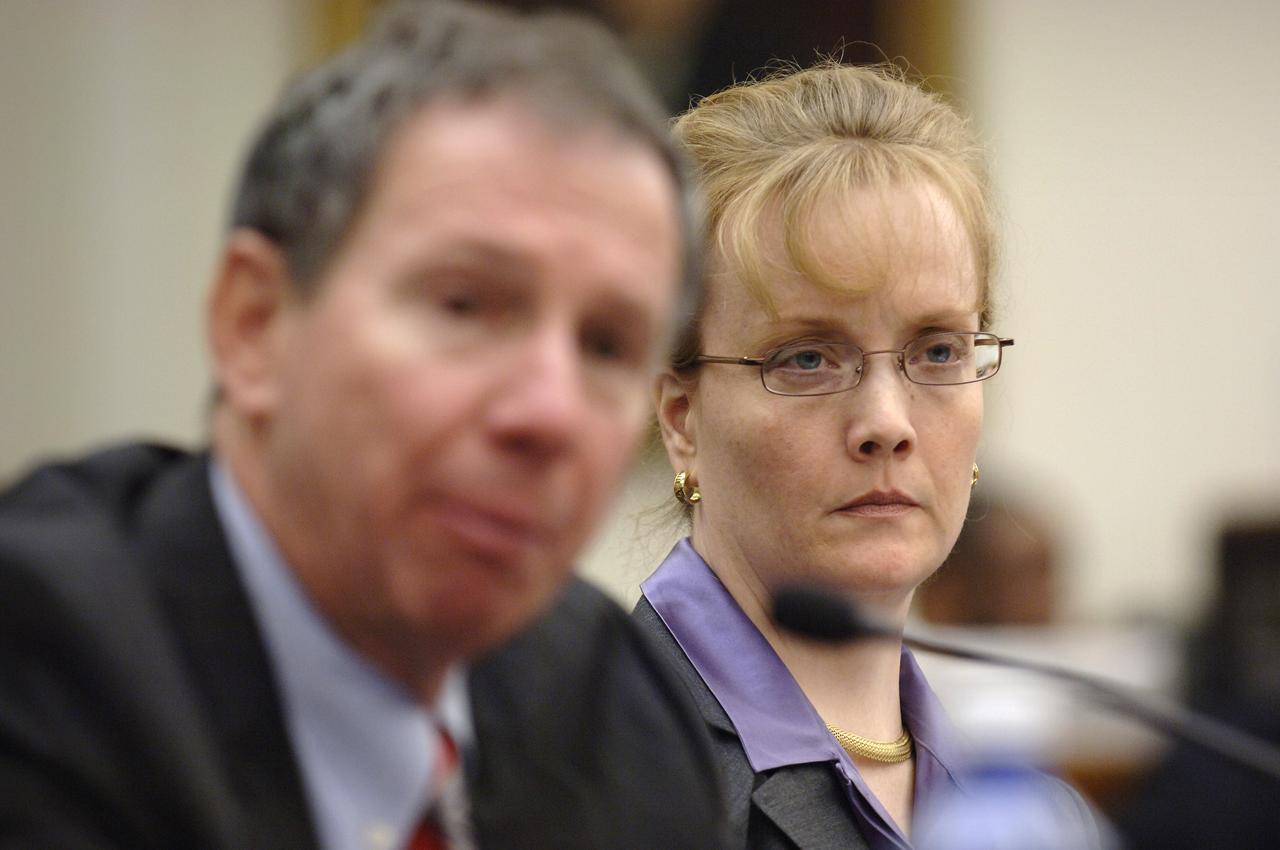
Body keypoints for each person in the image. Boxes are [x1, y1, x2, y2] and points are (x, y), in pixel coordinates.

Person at [0, 2, 726, 848]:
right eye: (466, 305)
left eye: (607, 345)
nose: (550, 413)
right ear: (255, 324)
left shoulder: (629, 719)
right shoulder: (35, 662)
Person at [635, 62, 1102, 848]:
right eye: (807, 358)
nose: (887, 423)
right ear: (682, 417)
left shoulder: (1038, 815)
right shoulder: (594, 772)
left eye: (938, 348)